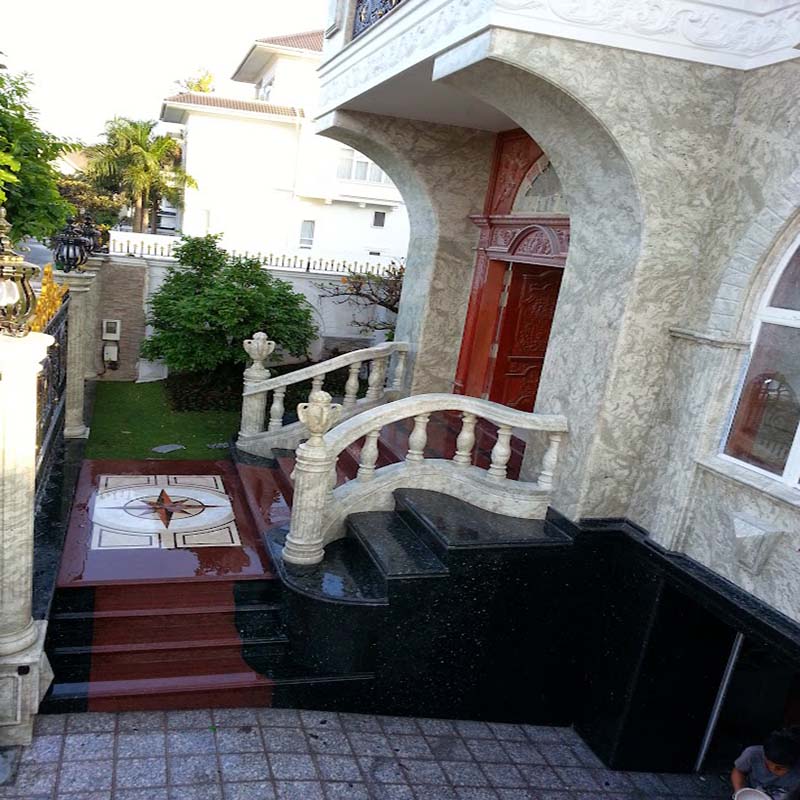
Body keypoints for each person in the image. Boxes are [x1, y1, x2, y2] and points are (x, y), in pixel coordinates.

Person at [731, 727, 800, 799]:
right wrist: (740, 792)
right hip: (751, 793)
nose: (773, 769)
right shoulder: (753, 754)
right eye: (768, 764)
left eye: (780, 768)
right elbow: (739, 771)